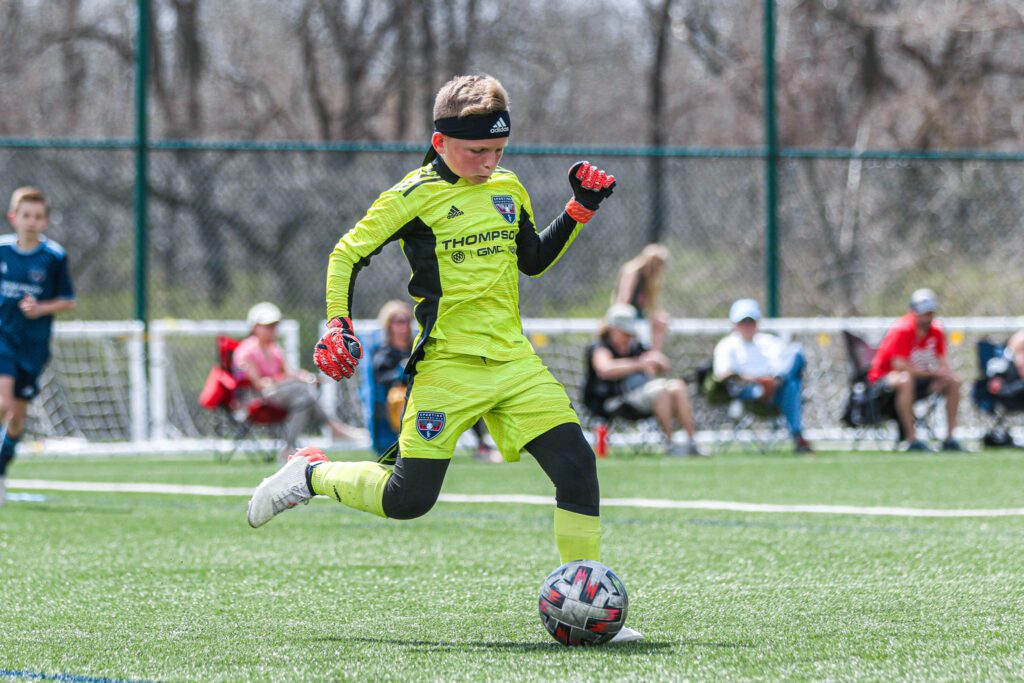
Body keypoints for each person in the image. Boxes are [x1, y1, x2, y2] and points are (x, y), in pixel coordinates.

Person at [246, 74, 640, 643]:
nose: (488, 162)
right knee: (409, 500)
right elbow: (346, 253)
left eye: (498, 151)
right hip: (446, 368)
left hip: (513, 363)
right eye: (477, 151)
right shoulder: (412, 197)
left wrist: (578, 209)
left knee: (578, 467)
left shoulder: (510, 187)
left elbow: (532, 260)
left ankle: (586, 608)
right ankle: (311, 475)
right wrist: (338, 322)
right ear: (440, 143)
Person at [0, 187, 76, 506]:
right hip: (3, 339)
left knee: (16, 418)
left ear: (45, 220)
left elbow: (68, 301)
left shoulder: (54, 257)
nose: (31, 221)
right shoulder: (2, 250)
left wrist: (41, 309)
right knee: (2, 403)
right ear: (13, 217)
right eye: (25, 215)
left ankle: (1, 471)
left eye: (38, 216)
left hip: (34, 346)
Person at [233, 301, 363, 463]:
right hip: (259, 397)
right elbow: (260, 384)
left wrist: (306, 377)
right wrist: (293, 380)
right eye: (267, 326)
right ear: (254, 327)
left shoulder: (275, 349)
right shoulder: (246, 351)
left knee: (304, 397)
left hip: (285, 394)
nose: (272, 330)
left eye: (274, 326)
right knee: (304, 391)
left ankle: (289, 447)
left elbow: (289, 373)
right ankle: (333, 428)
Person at [371, 299, 499, 462]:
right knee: (399, 397)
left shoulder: (416, 346)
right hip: (401, 400)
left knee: (464, 392)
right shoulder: (384, 352)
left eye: (405, 321)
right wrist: (401, 372)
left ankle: (481, 444)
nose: (402, 326)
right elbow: (381, 379)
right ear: (389, 325)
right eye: (398, 321)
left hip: (428, 392)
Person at [584, 303, 703, 456]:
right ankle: (670, 444)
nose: (628, 337)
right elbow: (605, 369)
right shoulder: (600, 347)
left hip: (640, 399)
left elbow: (655, 366)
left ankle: (692, 442)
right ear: (612, 329)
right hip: (613, 403)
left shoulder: (635, 347)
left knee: (677, 386)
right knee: (661, 389)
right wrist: (638, 364)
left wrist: (658, 339)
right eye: (624, 332)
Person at [867, 288, 963, 451]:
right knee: (905, 379)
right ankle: (911, 439)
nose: (927, 318)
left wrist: (945, 374)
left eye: (930, 313)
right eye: (924, 313)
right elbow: (899, 365)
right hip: (885, 382)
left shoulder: (936, 331)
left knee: (954, 382)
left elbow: (942, 362)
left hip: (919, 380)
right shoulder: (903, 329)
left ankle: (950, 439)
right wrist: (932, 373)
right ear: (914, 312)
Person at [712, 298, 813, 453]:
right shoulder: (727, 345)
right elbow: (723, 374)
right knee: (788, 386)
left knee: (794, 363)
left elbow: (785, 363)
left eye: (751, 321)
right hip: (747, 391)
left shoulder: (771, 342)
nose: (747, 326)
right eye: (743, 322)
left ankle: (797, 436)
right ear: (735, 324)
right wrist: (756, 380)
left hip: (776, 389)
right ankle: (797, 435)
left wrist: (773, 381)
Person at [612, 244, 670, 351]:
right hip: (627, 314)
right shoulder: (632, 271)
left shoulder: (651, 280)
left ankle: (653, 354)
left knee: (662, 320)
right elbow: (623, 299)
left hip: (640, 314)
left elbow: (652, 305)